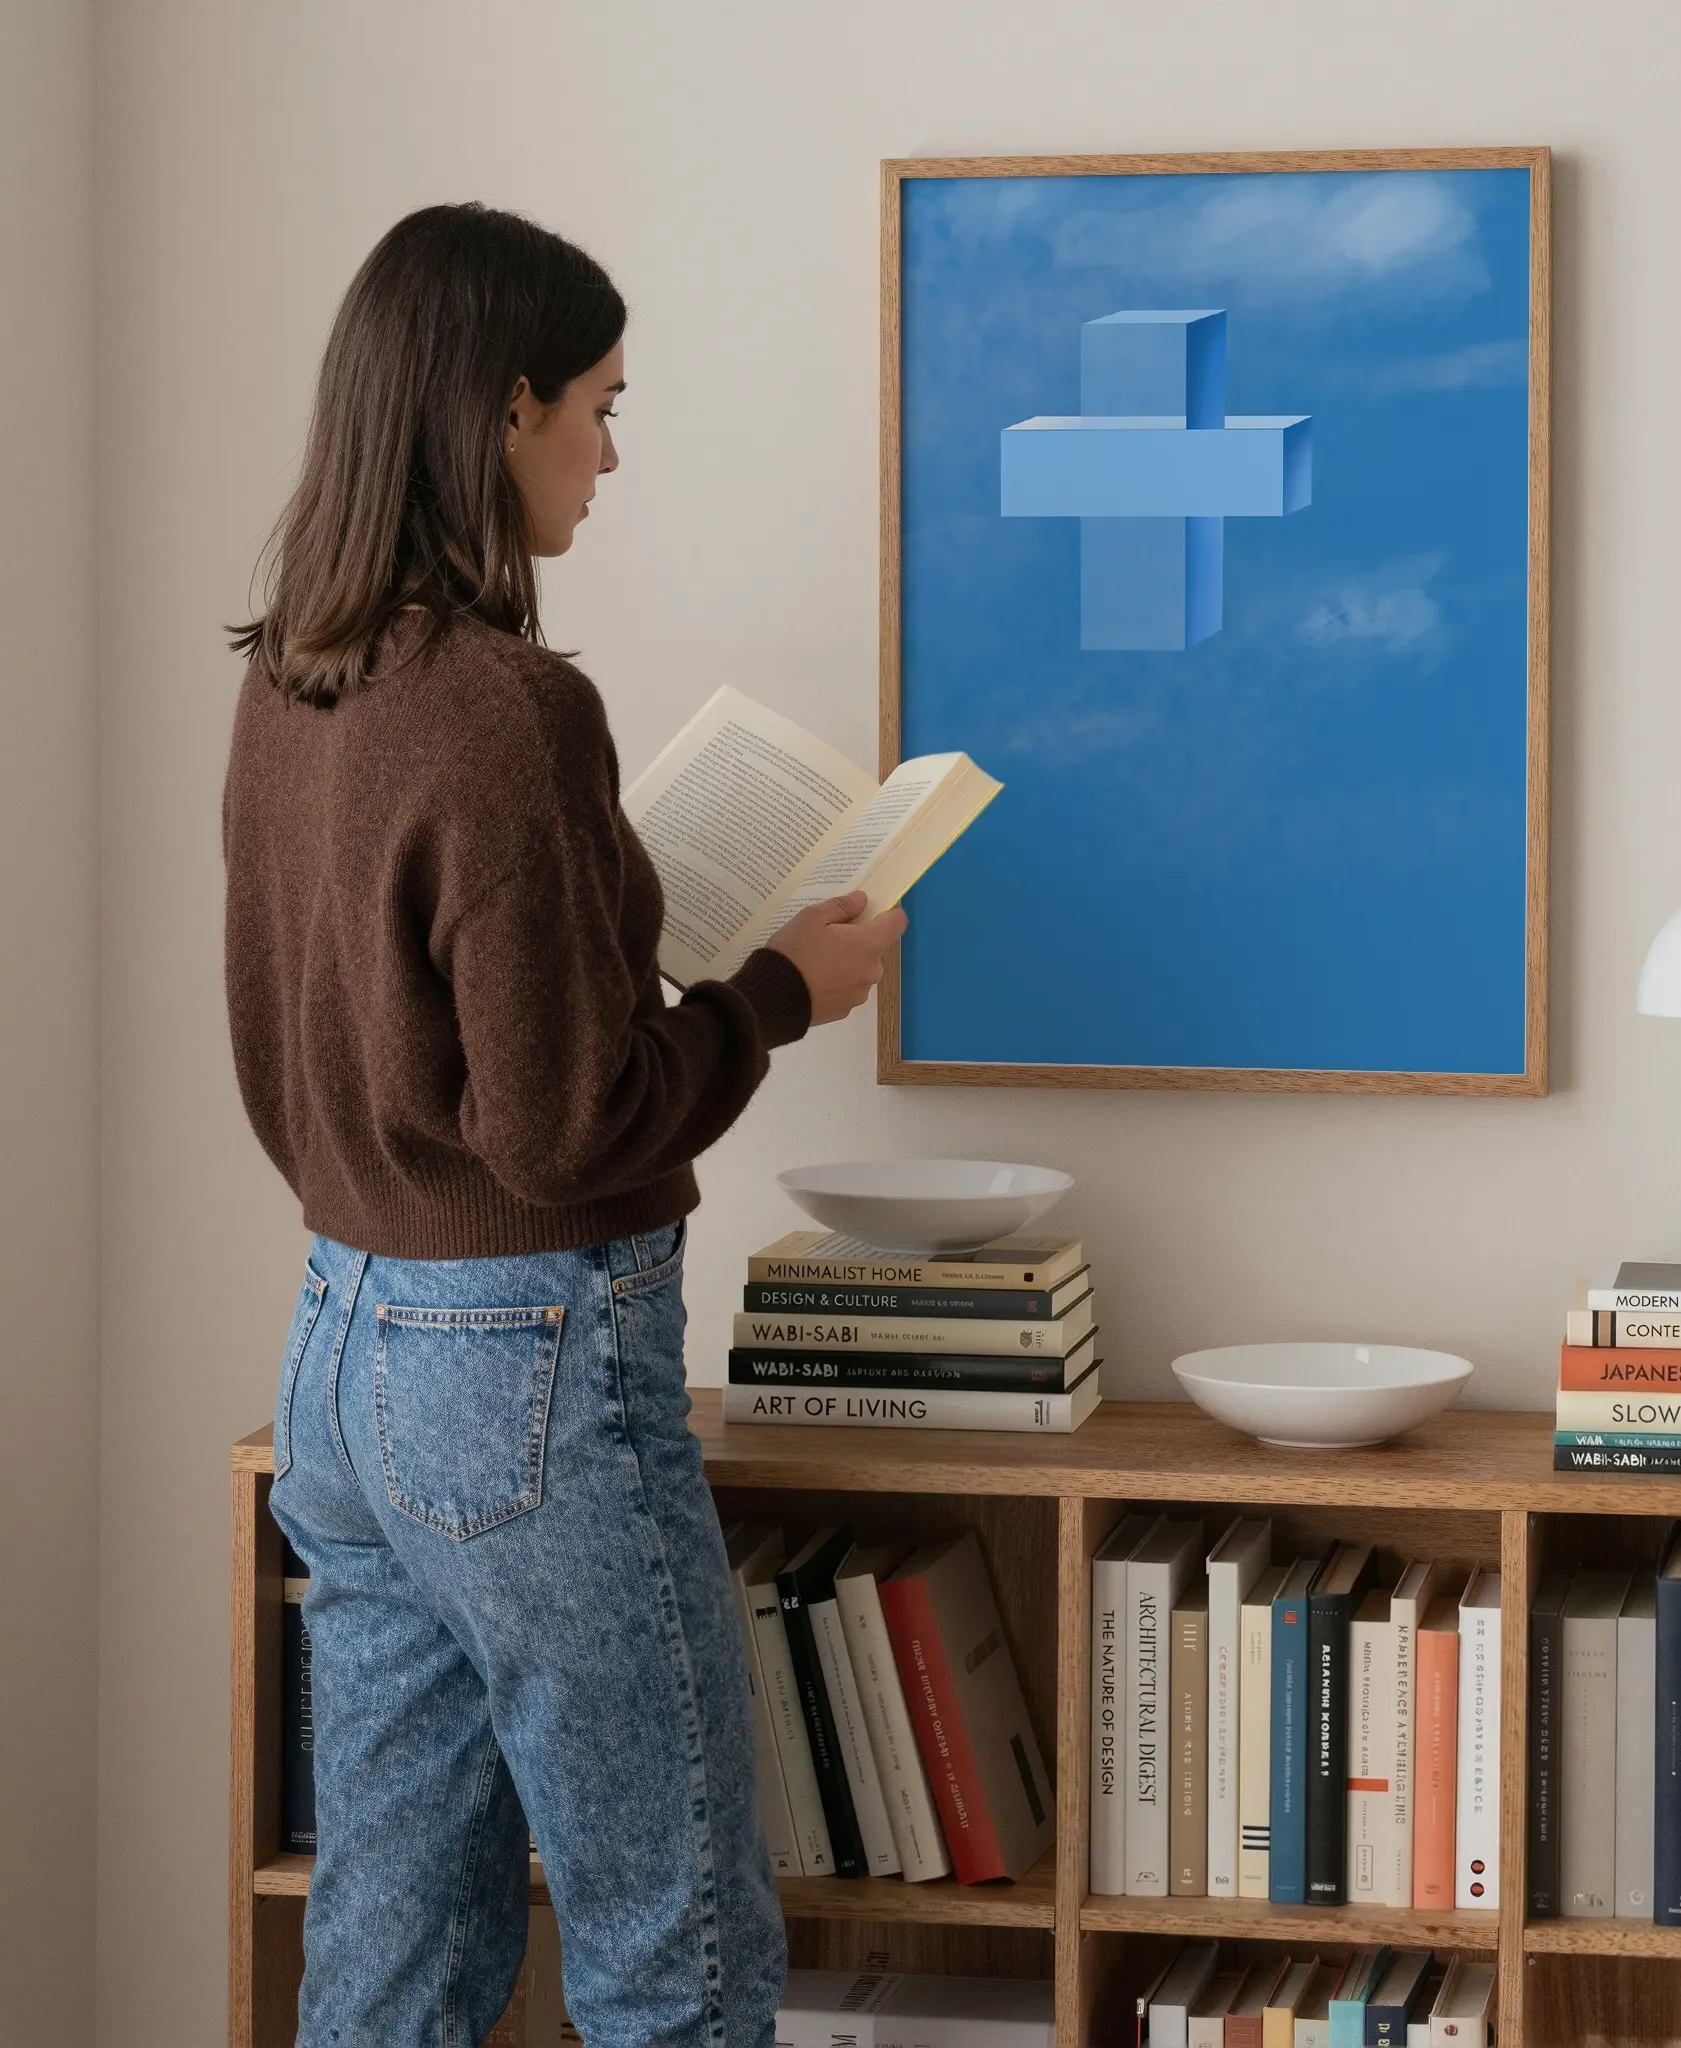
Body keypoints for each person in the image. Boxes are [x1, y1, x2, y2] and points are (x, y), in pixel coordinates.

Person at [222, 202, 901, 2048]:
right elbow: (562, 1126)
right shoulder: (509, 707)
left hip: (341, 1360)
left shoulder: (294, 677)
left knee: (394, 1945)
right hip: (522, 1369)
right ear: (502, 405)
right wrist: (777, 996)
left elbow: (326, 1053)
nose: (610, 451)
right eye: (599, 404)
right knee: (671, 1949)